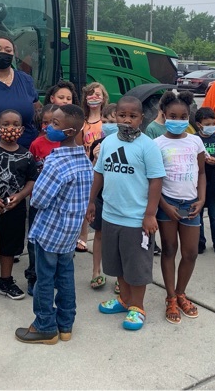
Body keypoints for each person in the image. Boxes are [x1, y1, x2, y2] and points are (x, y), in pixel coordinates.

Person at [15, 105, 93, 344]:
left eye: (55, 124)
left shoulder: (56, 163)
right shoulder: (85, 161)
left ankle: (45, 326)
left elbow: (38, 199)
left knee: (45, 279)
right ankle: (65, 324)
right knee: (66, 277)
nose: (49, 127)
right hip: (69, 233)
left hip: (50, 231)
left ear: (69, 131)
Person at [87, 96, 166, 331]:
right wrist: (91, 201)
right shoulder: (108, 142)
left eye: (133, 116)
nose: (127, 120)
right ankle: (124, 300)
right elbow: (99, 173)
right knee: (118, 264)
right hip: (111, 215)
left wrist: (150, 214)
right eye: (122, 115)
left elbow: (156, 181)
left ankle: (137, 306)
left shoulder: (147, 146)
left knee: (136, 267)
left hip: (136, 219)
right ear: (114, 116)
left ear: (141, 119)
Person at [154, 91, 206, 324]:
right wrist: (164, 205)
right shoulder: (156, 144)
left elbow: (202, 173)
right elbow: (152, 181)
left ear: (189, 116)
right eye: (173, 116)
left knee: (191, 252)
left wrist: (202, 199)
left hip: (192, 203)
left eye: (183, 116)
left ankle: (181, 292)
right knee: (168, 250)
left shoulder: (196, 141)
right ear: (164, 116)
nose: (178, 119)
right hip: (167, 203)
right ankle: (171, 297)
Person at [0, 109, 38, 302]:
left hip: (15, 210)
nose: (10, 128)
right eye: (6, 124)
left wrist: (19, 197)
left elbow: (32, 180)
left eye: (15, 124)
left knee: (9, 248)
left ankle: (5, 281)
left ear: (22, 128)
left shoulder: (27, 156)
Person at [26, 103, 59, 293]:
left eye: (54, 122)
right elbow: (31, 171)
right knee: (34, 240)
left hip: (59, 202)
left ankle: (53, 275)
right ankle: (34, 275)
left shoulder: (65, 144)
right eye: (45, 122)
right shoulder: (37, 144)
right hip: (38, 200)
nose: (49, 126)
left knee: (54, 241)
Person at [88, 103, 118, 290]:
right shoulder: (98, 144)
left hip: (118, 197)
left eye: (112, 121)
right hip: (101, 196)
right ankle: (96, 271)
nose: (108, 125)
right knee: (99, 234)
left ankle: (119, 277)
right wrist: (95, 159)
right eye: (105, 122)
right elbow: (93, 173)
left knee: (117, 238)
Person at [77, 82, 110, 253]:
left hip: (104, 168)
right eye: (90, 94)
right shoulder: (82, 122)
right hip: (87, 166)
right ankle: (82, 237)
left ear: (104, 98)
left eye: (98, 94)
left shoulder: (107, 122)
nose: (94, 97)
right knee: (85, 202)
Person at [194, 107, 215, 254]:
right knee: (198, 216)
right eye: (207, 124)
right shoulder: (194, 139)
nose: (211, 127)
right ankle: (200, 242)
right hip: (197, 184)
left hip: (214, 184)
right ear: (199, 124)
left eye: (213, 123)